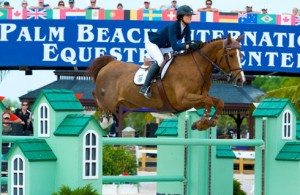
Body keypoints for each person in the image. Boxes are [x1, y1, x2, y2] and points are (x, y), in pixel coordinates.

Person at [139, 5, 201, 98]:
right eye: (187, 15)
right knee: (160, 60)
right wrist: (189, 46)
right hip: (153, 43)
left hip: (165, 45)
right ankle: (144, 87)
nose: (190, 17)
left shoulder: (187, 28)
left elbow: (188, 44)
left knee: (174, 60)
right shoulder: (173, 26)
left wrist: (194, 46)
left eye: (191, 15)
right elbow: (176, 47)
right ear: (180, 17)